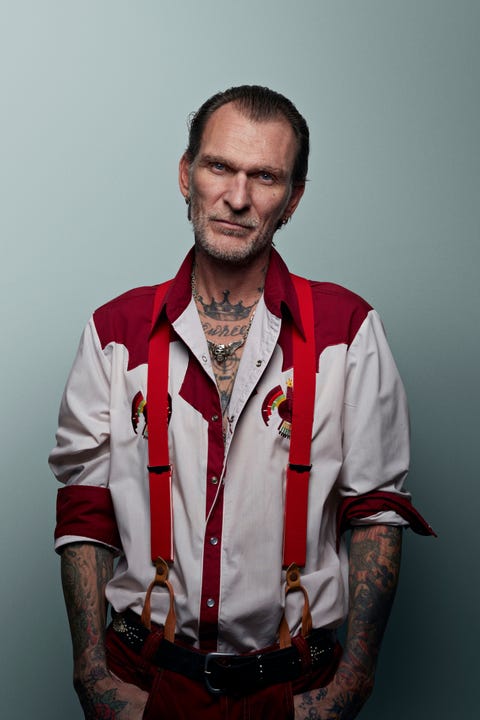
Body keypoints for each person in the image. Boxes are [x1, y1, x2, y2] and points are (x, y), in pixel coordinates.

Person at [50, 85, 434, 720]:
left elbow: (375, 512)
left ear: (293, 198)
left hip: (292, 689)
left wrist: (350, 687)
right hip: (146, 683)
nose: (237, 196)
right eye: (219, 166)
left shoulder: (348, 330)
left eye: (266, 176)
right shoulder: (113, 331)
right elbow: (85, 509)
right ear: (186, 174)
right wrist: (93, 676)